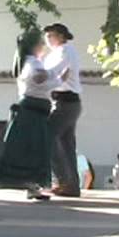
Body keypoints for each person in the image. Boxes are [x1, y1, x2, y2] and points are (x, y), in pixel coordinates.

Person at [0, 29, 66, 200]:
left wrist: (52, 76)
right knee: (35, 150)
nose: (43, 46)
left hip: (31, 110)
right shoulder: (33, 63)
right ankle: (33, 185)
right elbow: (39, 79)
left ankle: (32, 187)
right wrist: (59, 77)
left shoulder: (27, 62)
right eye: (41, 43)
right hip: (33, 112)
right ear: (35, 46)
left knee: (28, 150)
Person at [43, 23, 83, 197]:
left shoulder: (65, 51)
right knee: (66, 144)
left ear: (60, 36)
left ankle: (63, 181)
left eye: (50, 35)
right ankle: (71, 184)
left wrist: (38, 74)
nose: (47, 39)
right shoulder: (58, 52)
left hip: (65, 101)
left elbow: (53, 71)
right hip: (65, 101)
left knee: (48, 137)